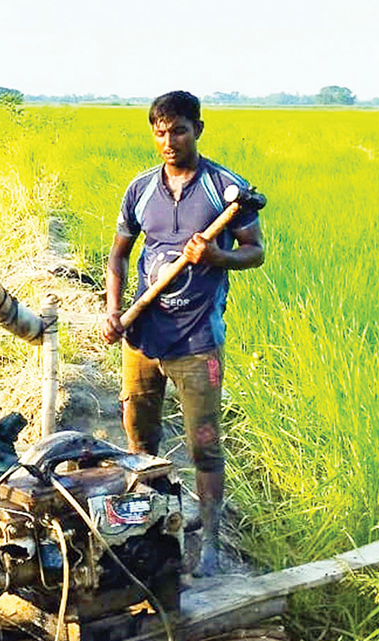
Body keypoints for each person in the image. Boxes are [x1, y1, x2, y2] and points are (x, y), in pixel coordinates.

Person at [101, 90, 264, 578]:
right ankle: (144, 530)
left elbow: (256, 251)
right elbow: (118, 256)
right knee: (139, 439)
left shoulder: (224, 189)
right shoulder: (141, 189)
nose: (168, 141)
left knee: (204, 444)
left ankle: (209, 540)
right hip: (143, 338)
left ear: (198, 129)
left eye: (178, 130)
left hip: (197, 342)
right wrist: (113, 310)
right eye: (159, 131)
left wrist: (216, 257)